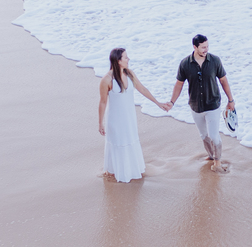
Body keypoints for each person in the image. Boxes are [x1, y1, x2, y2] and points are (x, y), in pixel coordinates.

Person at [99, 47, 171, 182]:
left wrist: (158, 103)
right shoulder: (107, 80)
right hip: (115, 119)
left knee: (130, 139)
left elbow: (142, 89)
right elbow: (102, 102)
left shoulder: (130, 74)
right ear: (118, 60)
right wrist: (100, 123)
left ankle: (131, 170)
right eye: (126, 57)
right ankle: (116, 172)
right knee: (119, 142)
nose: (128, 59)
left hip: (129, 117)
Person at [168, 34, 235, 173]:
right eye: (203, 47)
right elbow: (179, 84)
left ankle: (217, 162)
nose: (206, 49)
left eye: (207, 46)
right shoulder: (185, 64)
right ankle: (211, 155)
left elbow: (223, 80)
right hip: (195, 106)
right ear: (195, 47)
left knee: (214, 135)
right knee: (204, 135)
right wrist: (172, 102)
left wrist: (231, 100)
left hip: (213, 104)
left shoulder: (215, 60)